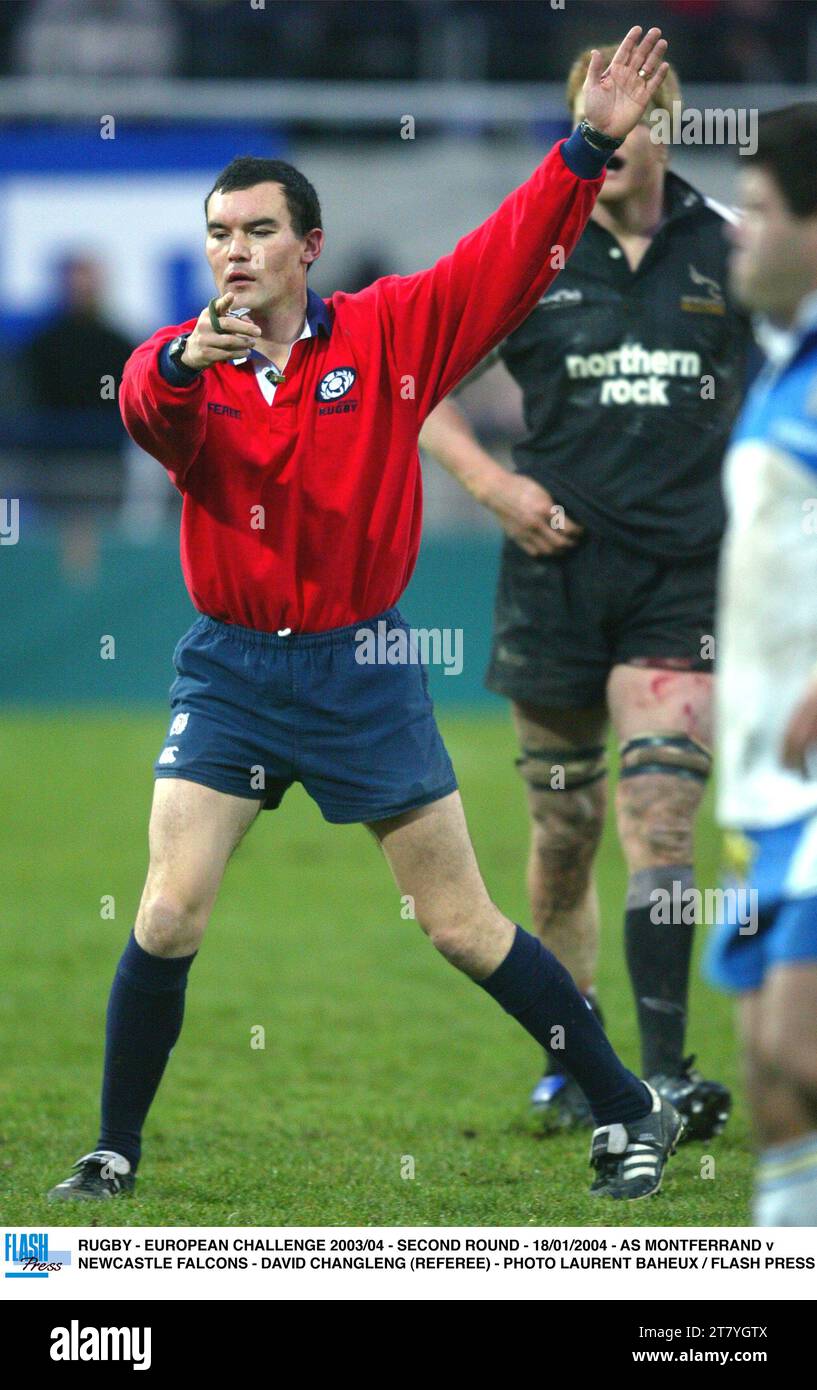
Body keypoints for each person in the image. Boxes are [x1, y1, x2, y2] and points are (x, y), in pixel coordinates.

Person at [47, 28, 686, 1207]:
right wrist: (186, 361)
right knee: (169, 909)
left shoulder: (389, 332)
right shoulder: (185, 367)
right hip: (231, 670)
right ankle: (113, 1149)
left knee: (458, 924)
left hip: (361, 665)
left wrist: (588, 144)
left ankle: (624, 1102)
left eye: (256, 231)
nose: (232, 252)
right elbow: (148, 410)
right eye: (218, 235)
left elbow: (503, 260)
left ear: (309, 248)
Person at [419, 45, 753, 1137]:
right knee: (565, 827)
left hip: (680, 578)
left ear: (670, 125)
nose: (609, 139)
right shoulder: (531, 250)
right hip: (552, 581)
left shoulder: (734, 252)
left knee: (662, 815)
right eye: (588, 120)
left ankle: (665, 1072)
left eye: (630, 119)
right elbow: (419, 387)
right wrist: (495, 486)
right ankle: (578, 1055)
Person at [705, 103, 817, 1225]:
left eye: (758, 211)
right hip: (765, 782)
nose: (736, 232)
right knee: (769, 1071)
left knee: (796, 1039)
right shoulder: (781, 365)